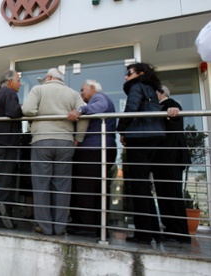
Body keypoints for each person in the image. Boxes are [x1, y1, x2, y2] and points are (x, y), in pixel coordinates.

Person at [22, 68, 88, 236]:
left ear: (49, 77)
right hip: (65, 141)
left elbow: (28, 110)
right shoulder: (73, 94)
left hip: (42, 140)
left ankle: (44, 227)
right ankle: (60, 227)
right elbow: (84, 113)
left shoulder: (38, 89)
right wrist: (78, 138)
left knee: (41, 185)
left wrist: (37, 115)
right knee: (62, 186)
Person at [116, 62, 164, 244]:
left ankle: (143, 234)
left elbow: (131, 110)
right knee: (144, 187)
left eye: (129, 72)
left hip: (140, 138)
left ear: (141, 73)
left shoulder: (136, 87)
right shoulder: (150, 89)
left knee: (139, 186)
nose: (126, 76)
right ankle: (153, 232)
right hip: (152, 138)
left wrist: (120, 129)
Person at [66, 79, 117, 237]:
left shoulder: (99, 97)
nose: (81, 93)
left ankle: (86, 227)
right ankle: (98, 227)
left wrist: (79, 110)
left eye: (83, 90)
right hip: (100, 149)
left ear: (92, 88)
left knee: (85, 188)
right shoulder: (100, 99)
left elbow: (99, 107)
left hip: (93, 150)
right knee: (96, 189)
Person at [152, 85, 191, 243]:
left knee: (172, 194)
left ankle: (179, 233)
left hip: (171, 159)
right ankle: (171, 230)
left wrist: (173, 111)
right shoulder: (161, 106)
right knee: (164, 194)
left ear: (161, 93)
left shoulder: (170, 104)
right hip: (164, 159)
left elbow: (175, 111)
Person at [0, 69, 23, 229]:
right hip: (6, 143)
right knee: (4, 183)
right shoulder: (9, 92)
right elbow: (13, 112)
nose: (20, 84)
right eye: (18, 81)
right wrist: (25, 108)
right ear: (9, 81)